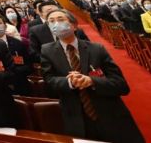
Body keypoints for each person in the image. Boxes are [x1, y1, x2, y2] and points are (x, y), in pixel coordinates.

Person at [41, 9, 144, 143]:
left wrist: (92, 81)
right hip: (76, 116)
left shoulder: (96, 49)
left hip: (109, 112)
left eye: (60, 19)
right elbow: (49, 82)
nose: (56, 24)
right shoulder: (47, 51)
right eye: (51, 21)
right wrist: (70, 82)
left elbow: (121, 85)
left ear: (74, 25)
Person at [0, 13, 33, 96]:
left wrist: (12, 72)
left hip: (19, 85)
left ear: (5, 25)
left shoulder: (18, 43)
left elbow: (29, 66)